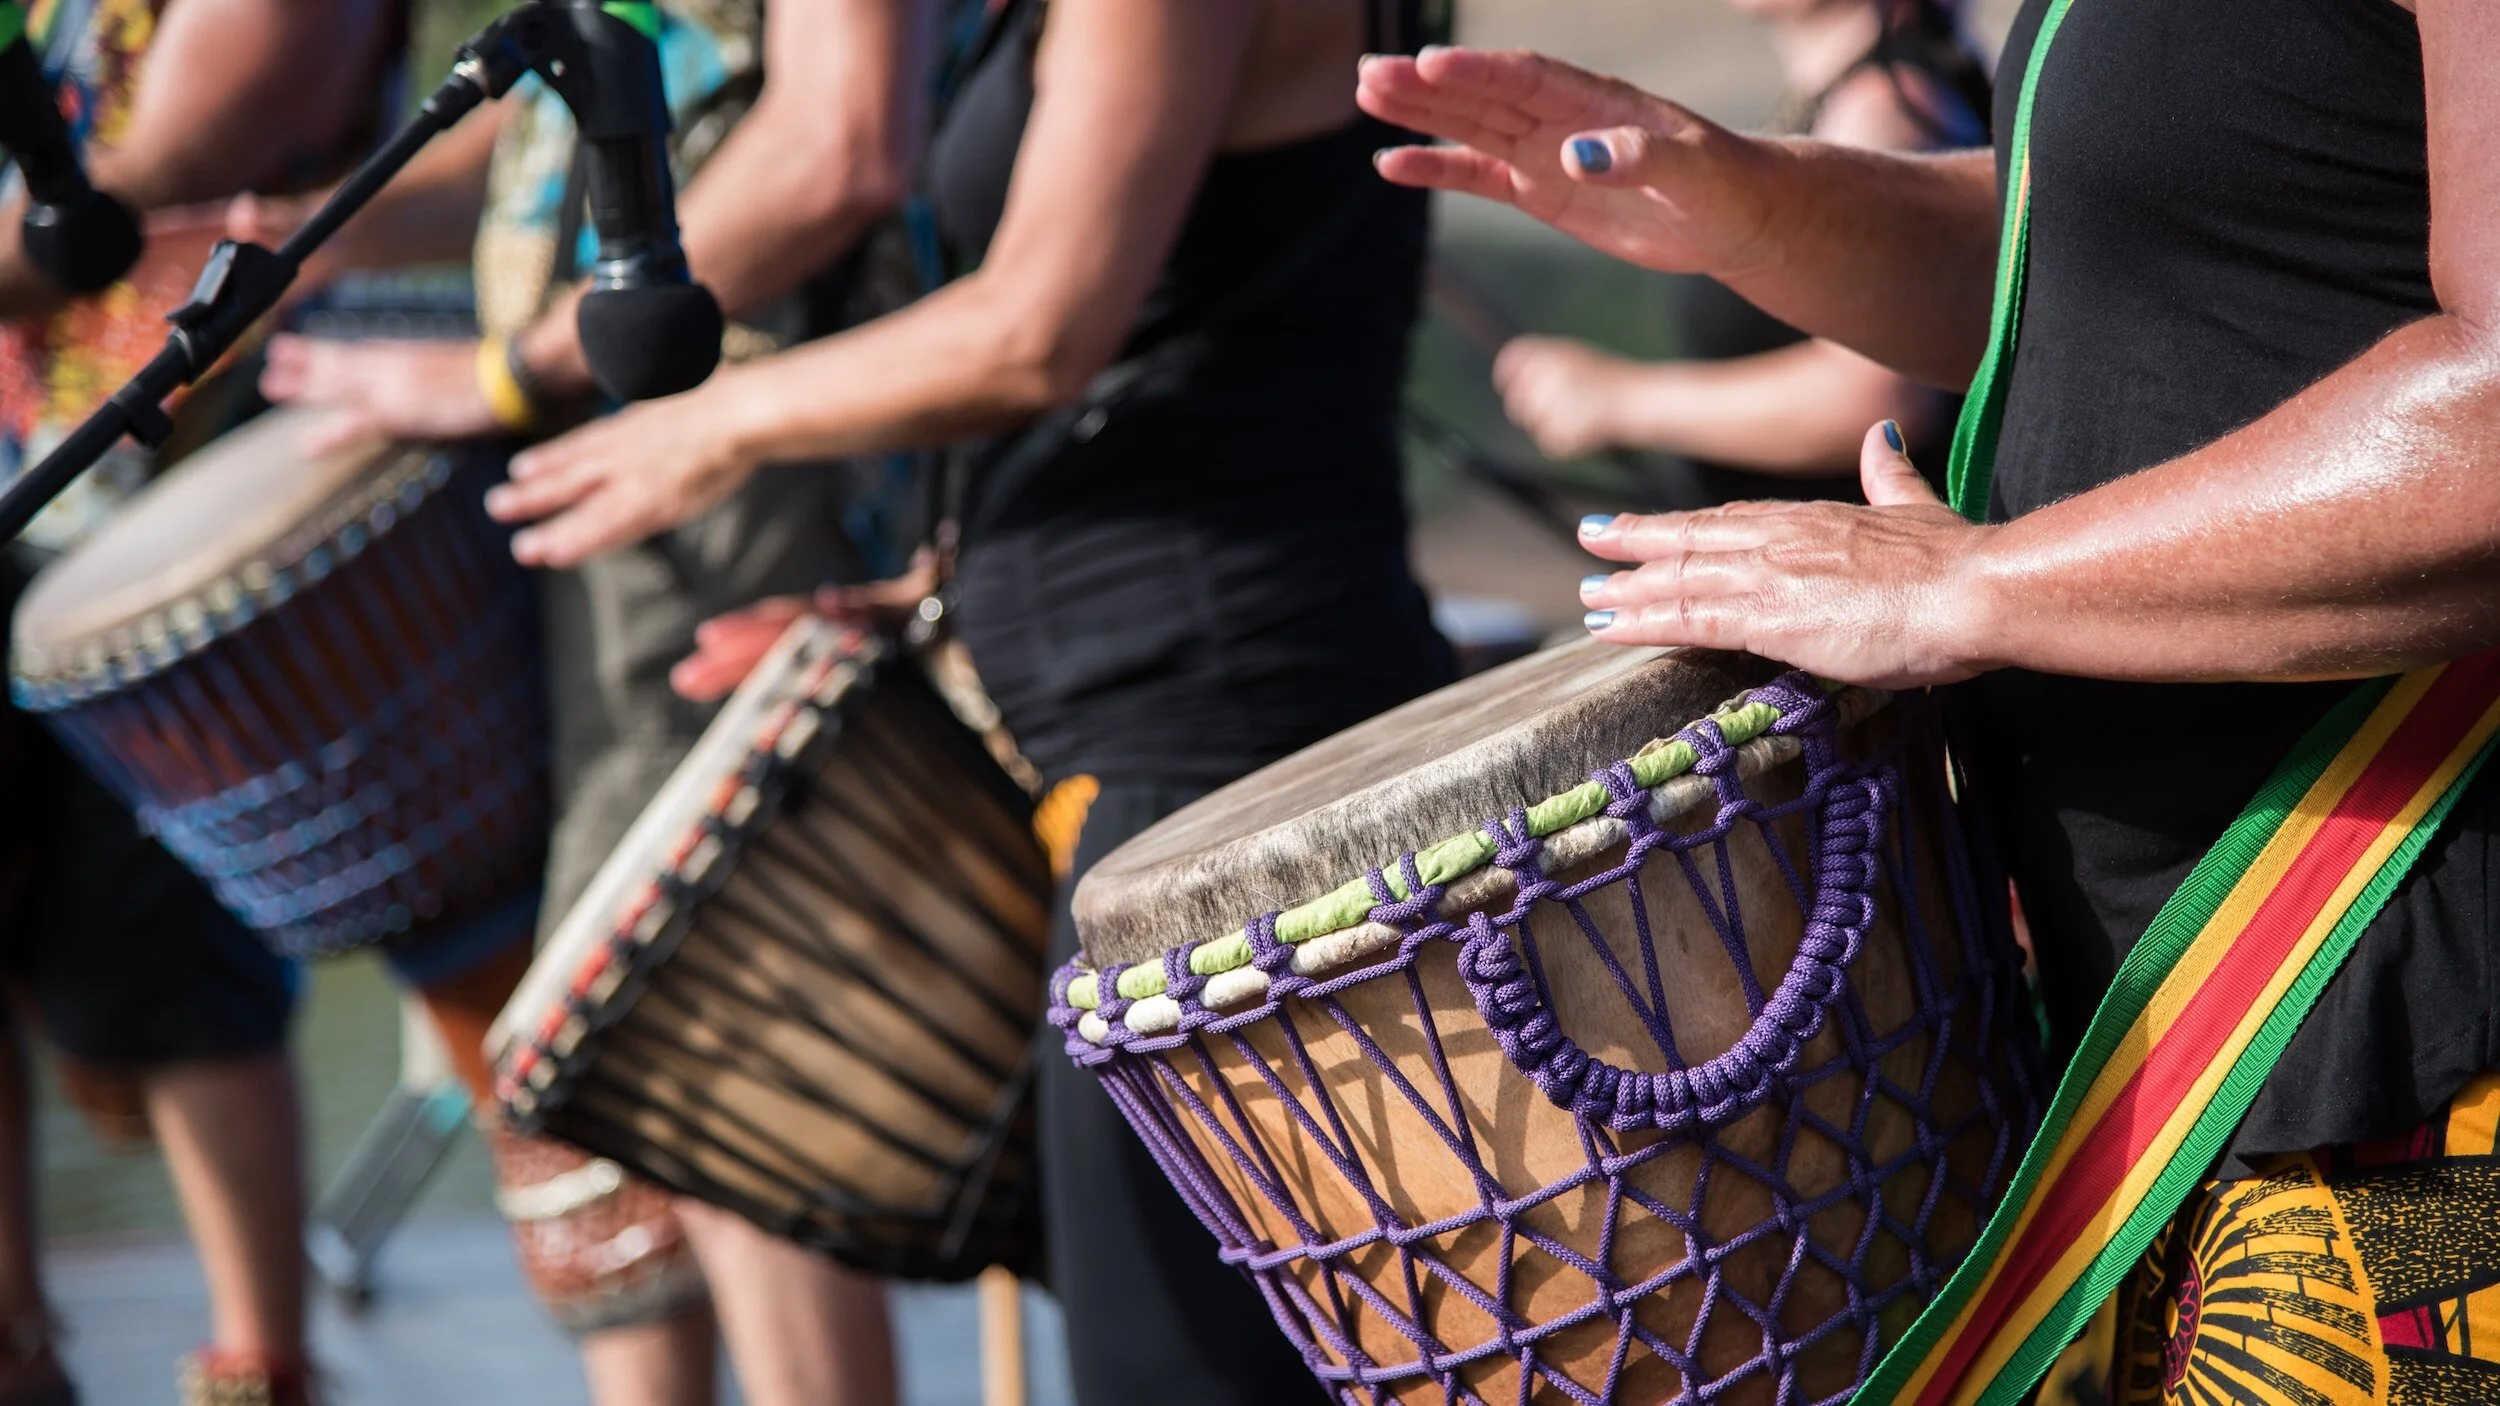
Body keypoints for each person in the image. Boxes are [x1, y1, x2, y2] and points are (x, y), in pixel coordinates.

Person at [1358, 0, 2500, 1398]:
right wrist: (1758, 201)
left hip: (2415, 1010)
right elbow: (2125, 256)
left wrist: (1964, 586)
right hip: (2185, 1047)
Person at [482, 0, 1457, 1399]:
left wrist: (707, 421)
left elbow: (1040, 333)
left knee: (1183, 1368)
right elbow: (1170, 348)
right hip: (1135, 714)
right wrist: (923, 605)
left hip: (1214, 735)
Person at [255, 2, 922, 1402]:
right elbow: (557, 121)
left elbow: (837, 143)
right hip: (605, 461)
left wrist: (508, 367)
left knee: (726, 1044)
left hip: (735, 454)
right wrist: (310, 227)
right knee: (610, 1089)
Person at [0, 2, 410, 1402]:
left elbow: (193, 144)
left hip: (189, 480)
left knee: (166, 961)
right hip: (21, 477)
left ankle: (261, 1362)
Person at [1491, 0, 1985, 502]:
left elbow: (1880, 397)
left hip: (1840, 568)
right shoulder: (1861, 97)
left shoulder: (1885, 111)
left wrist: (1619, 400)